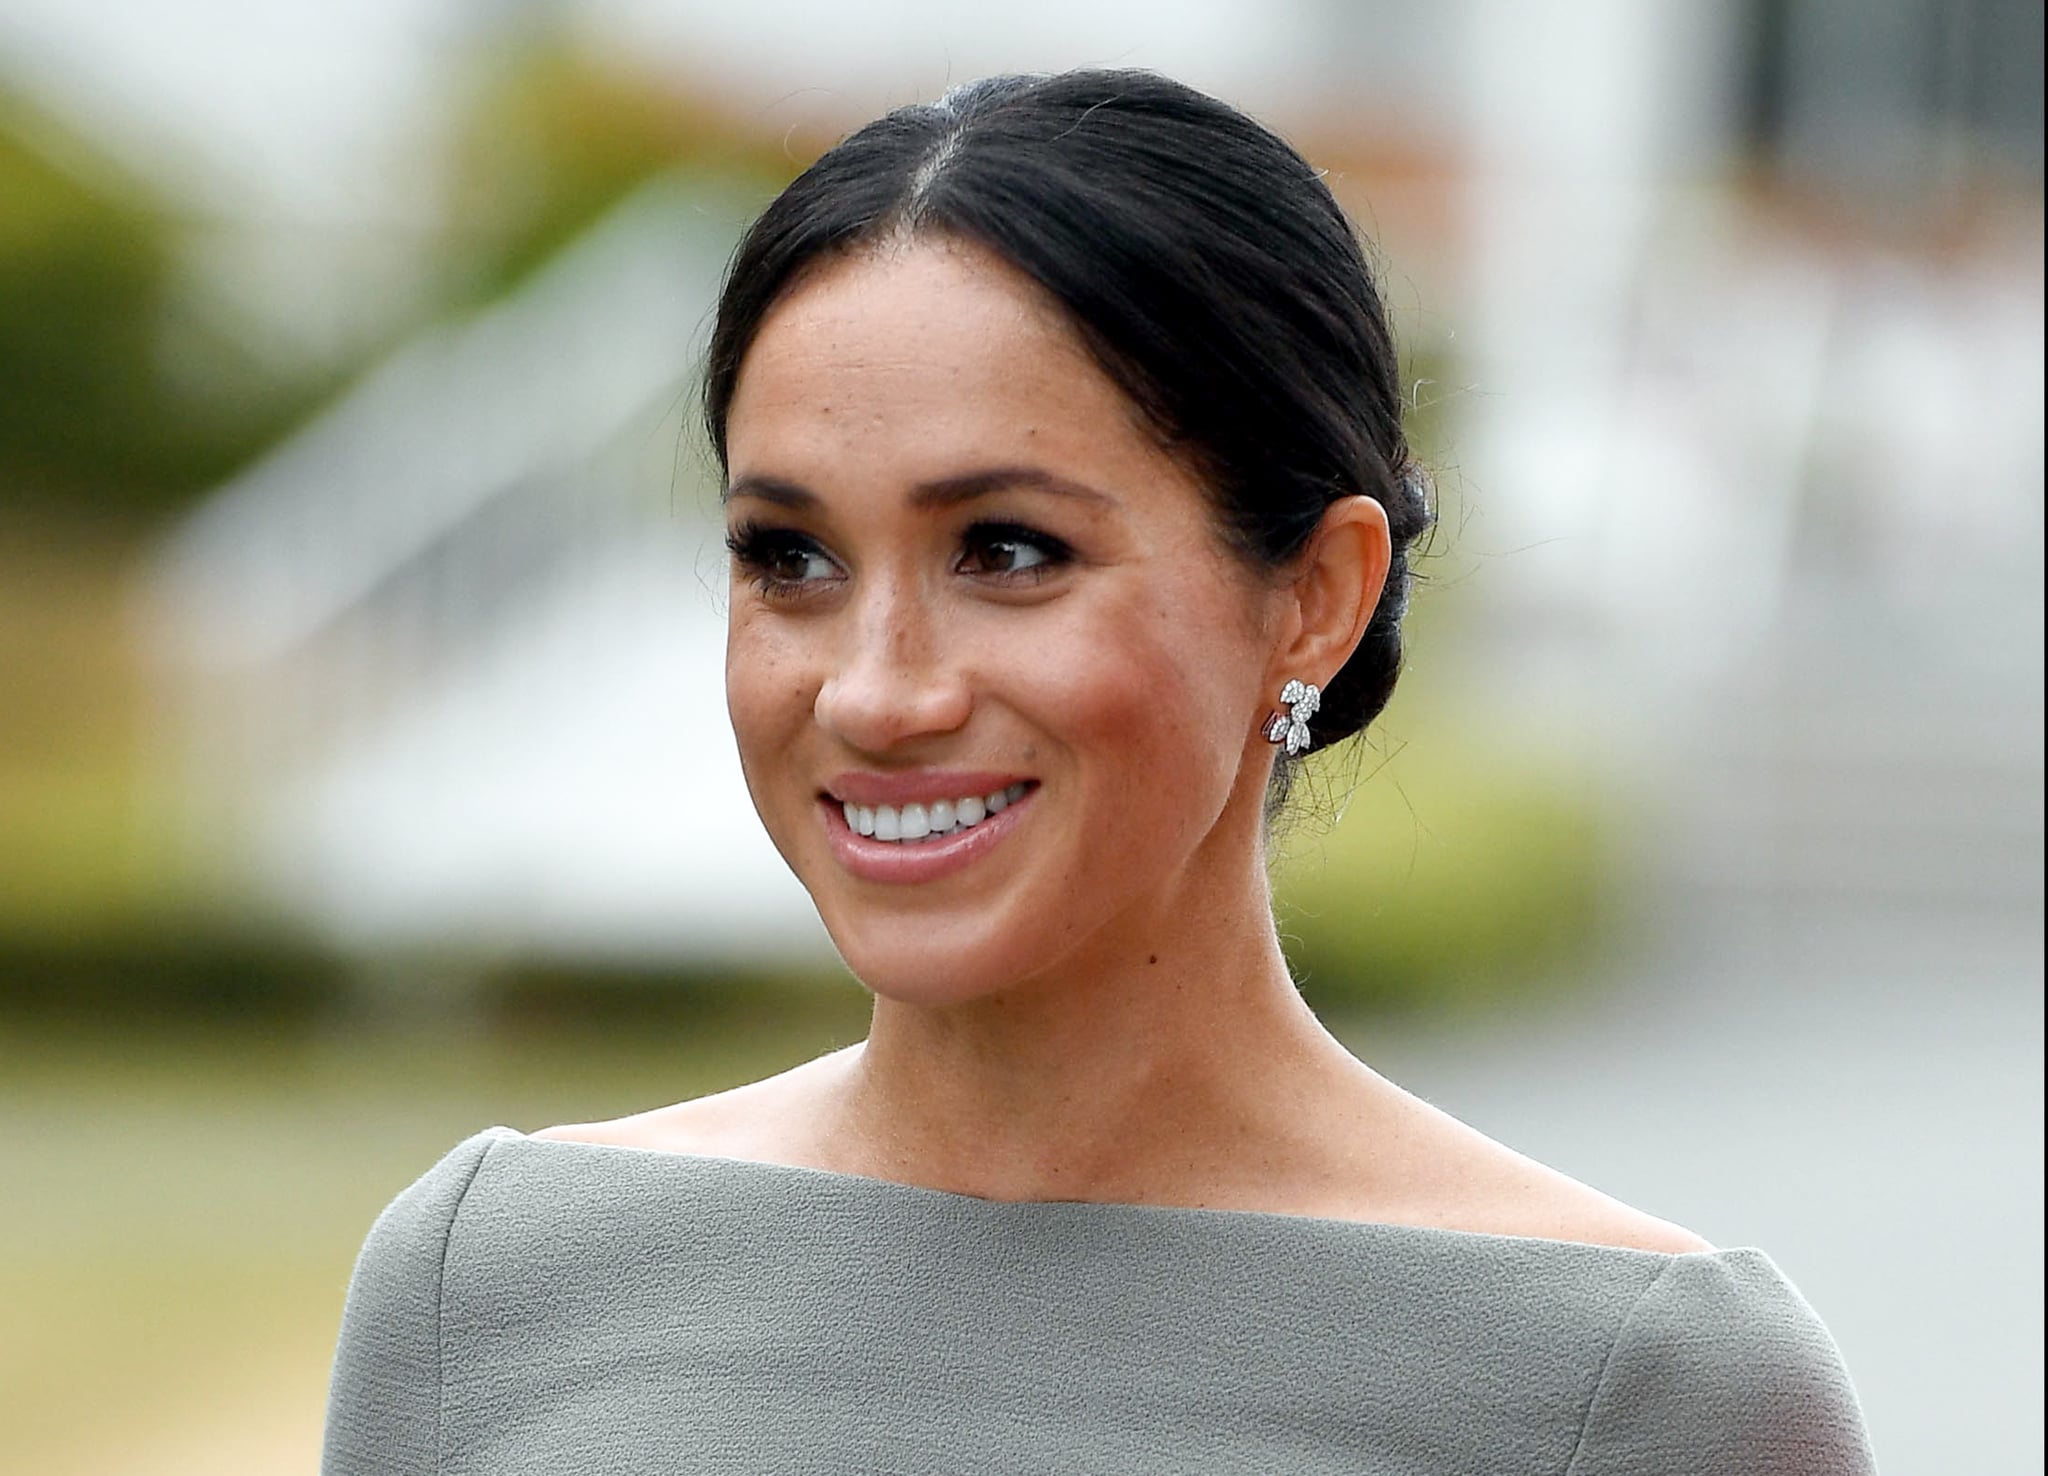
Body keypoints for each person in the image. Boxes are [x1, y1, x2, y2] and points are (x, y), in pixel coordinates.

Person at [322, 70, 1877, 1475]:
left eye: (1008, 551)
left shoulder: (1636, 1389)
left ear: (1318, 594)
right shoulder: (493, 1285)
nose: (874, 690)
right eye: (787, 557)